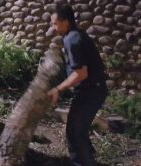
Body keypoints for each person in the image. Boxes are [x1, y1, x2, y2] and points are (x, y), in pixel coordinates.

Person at [47, 5, 108, 166]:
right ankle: (90, 159)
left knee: (74, 134)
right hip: (93, 90)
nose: (53, 28)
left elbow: (81, 73)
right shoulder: (77, 35)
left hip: (91, 92)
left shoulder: (71, 39)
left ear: (65, 22)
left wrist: (57, 89)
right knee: (78, 131)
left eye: (55, 23)